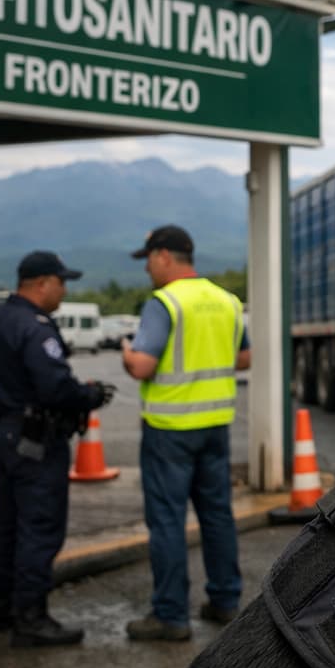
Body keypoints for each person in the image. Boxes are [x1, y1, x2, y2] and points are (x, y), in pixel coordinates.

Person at [119, 225, 249, 641]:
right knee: (217, 516)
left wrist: (127, 353)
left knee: (168, 522)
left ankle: (171, 615)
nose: (147, 272)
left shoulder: (164, 303)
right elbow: (243, 358)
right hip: (215, 427)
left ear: (163, 257)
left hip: (170, 430)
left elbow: (143, 366)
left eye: (149, 262)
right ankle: (226, 601)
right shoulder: (226, 301)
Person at [0, 251, 113, 648]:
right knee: (39, 526)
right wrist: (88, 395)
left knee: (7, 524)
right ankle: (31, 617)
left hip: (2, 432)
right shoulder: (36, 328)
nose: (64, 290)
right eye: (61, 282)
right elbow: (54, 386)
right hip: (36, 439)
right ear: (41, 283)